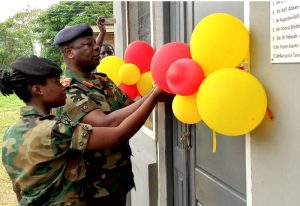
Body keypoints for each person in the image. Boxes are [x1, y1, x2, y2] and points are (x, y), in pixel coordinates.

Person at [1, 55, 170, 205]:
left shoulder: (11, 132)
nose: (62, 86)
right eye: (56, 82)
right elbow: (118, 135)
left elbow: (18, 189)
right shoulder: (55, 132)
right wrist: (154, 96)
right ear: (38, 89)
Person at [53, 23, 165, 205]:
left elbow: (130, 106)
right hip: (91, 191)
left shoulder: (102, 80)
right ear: (69, 52)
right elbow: (107, 124)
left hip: (117, 181)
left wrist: (153, 93)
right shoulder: (68, 92)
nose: (97, 46)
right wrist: (154, 96)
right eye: (89, 44)